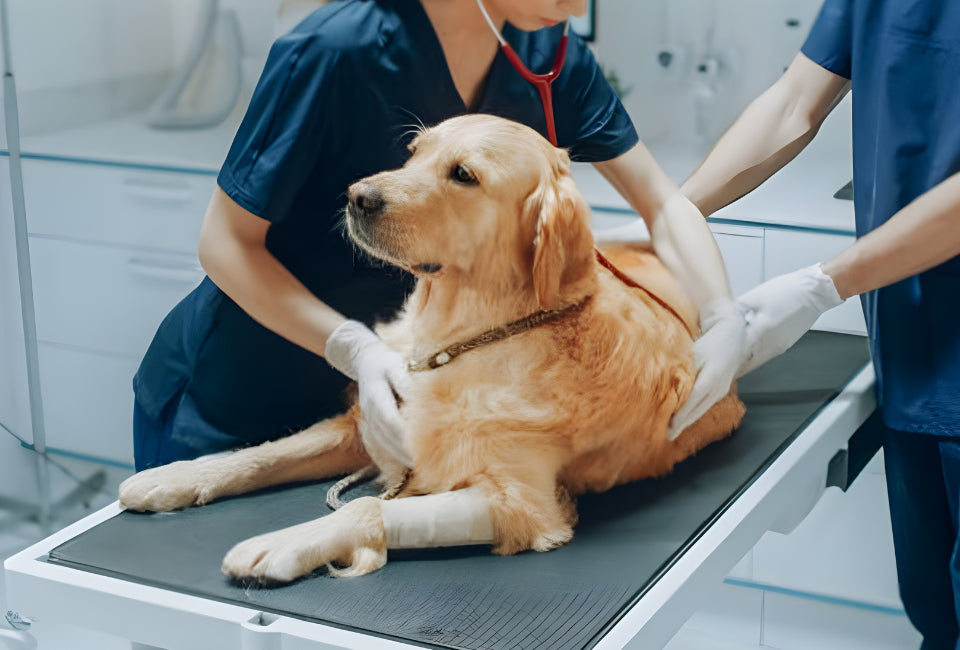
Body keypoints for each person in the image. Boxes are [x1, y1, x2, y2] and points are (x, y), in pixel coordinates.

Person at [133, 0, 745, 474]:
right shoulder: (332, 50)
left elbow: (662, 204)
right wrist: (353, 346)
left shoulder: (549, 56)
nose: (578, 8)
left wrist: (722, 318)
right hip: (240, 395)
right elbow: (224, 244)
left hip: (387, 414)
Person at [679, 1, 960, 647]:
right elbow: (793, 105)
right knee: (936, 615)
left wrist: (821, 285)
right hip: (915, 357)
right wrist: (669, 218)